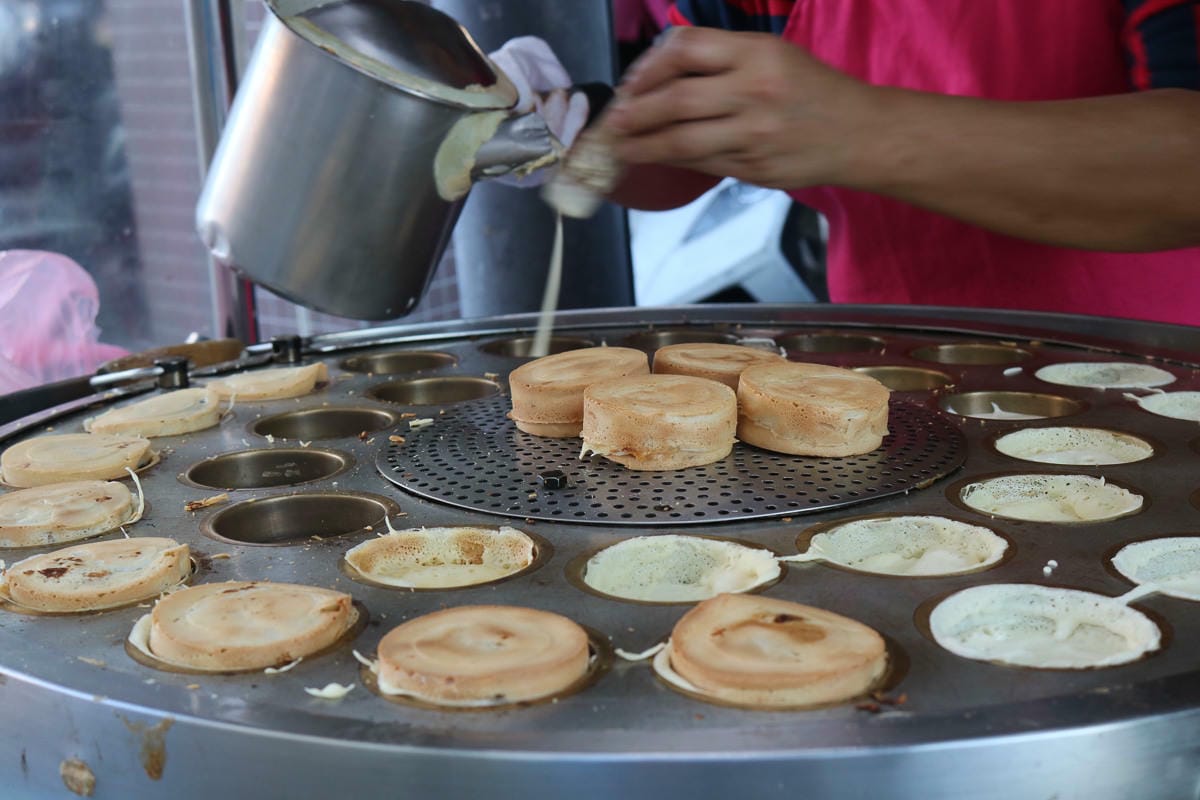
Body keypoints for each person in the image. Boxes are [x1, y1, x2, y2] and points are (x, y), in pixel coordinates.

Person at [566, 1, 1200, 326]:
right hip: (890, 379)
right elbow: (683, 143)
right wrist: (561, 135)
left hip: (1150, 371)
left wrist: (858, 129)